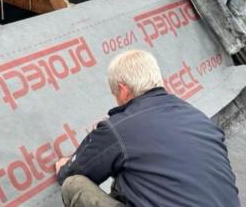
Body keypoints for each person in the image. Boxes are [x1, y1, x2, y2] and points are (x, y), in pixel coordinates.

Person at [55, 50, 240, 207]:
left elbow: (71, 173)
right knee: (130, 175)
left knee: (74, 185)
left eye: (115, 93)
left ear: (123, 89)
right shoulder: (197, 117)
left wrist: (64, 166)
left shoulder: (119, 128)